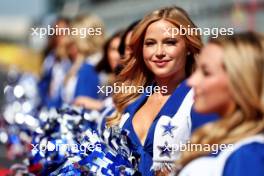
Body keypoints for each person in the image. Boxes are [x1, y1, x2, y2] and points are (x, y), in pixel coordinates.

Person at [105, 6, 218, 175]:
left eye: (170, 42)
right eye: (150, 43)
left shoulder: (200, 100)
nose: (159, 52)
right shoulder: (131, 98)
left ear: (188, 47)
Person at [176, 32, 264, 176]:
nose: (192, 82)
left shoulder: (249, 154)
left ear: (241, 81)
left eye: (206, 72)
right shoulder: (216, 138)